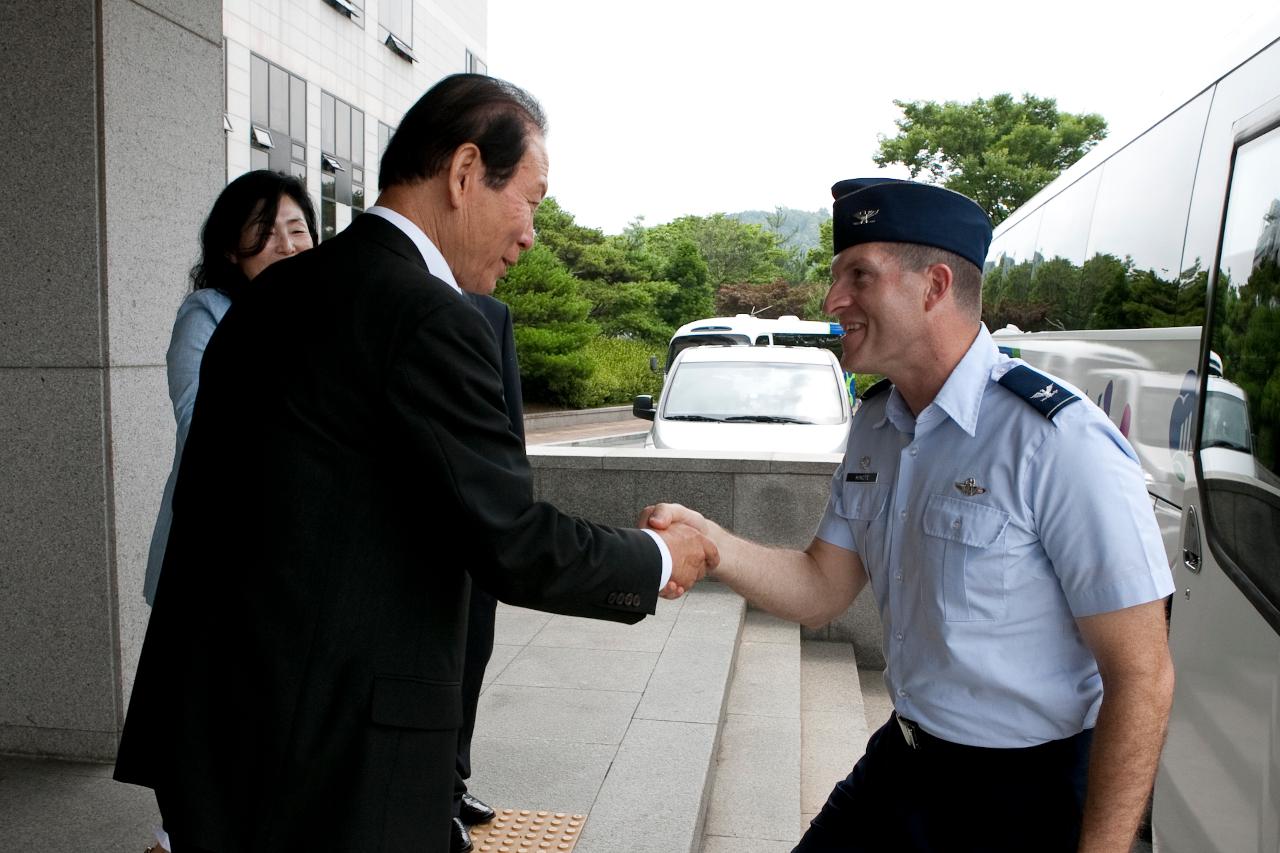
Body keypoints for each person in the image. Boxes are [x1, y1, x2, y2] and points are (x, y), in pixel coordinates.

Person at [113, 73, 715, 853]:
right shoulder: (428, 314)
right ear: (465, 173)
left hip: (212, 727)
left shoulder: (271, 295)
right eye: (530, 198)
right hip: (334, 759)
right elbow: (510, 539)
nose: (532, 231)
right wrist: (662, 553)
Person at [645, 177, 1175, 853]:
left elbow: (1143, 674)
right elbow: (821, 586)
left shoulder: (1054, 439)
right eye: (838, 277)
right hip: (906, 760)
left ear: (934, 286)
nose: (833, 301)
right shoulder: (878, 423)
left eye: (859, 276)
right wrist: (712, 542)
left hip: (1025, 796)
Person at [143, 170, 318, 608]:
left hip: (298, 547)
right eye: (264, 232)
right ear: (230, 249)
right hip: (221, 541)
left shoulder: (324, 317)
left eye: (297, 230)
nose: (287, 245)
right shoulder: (207, 313)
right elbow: (198, 424)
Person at [451, 292, 521, 853]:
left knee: (473, 655)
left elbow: (509, 425)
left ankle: (453, 781)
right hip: (410, 531)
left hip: (480, 528)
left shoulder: (491, 312)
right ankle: (428, 796)